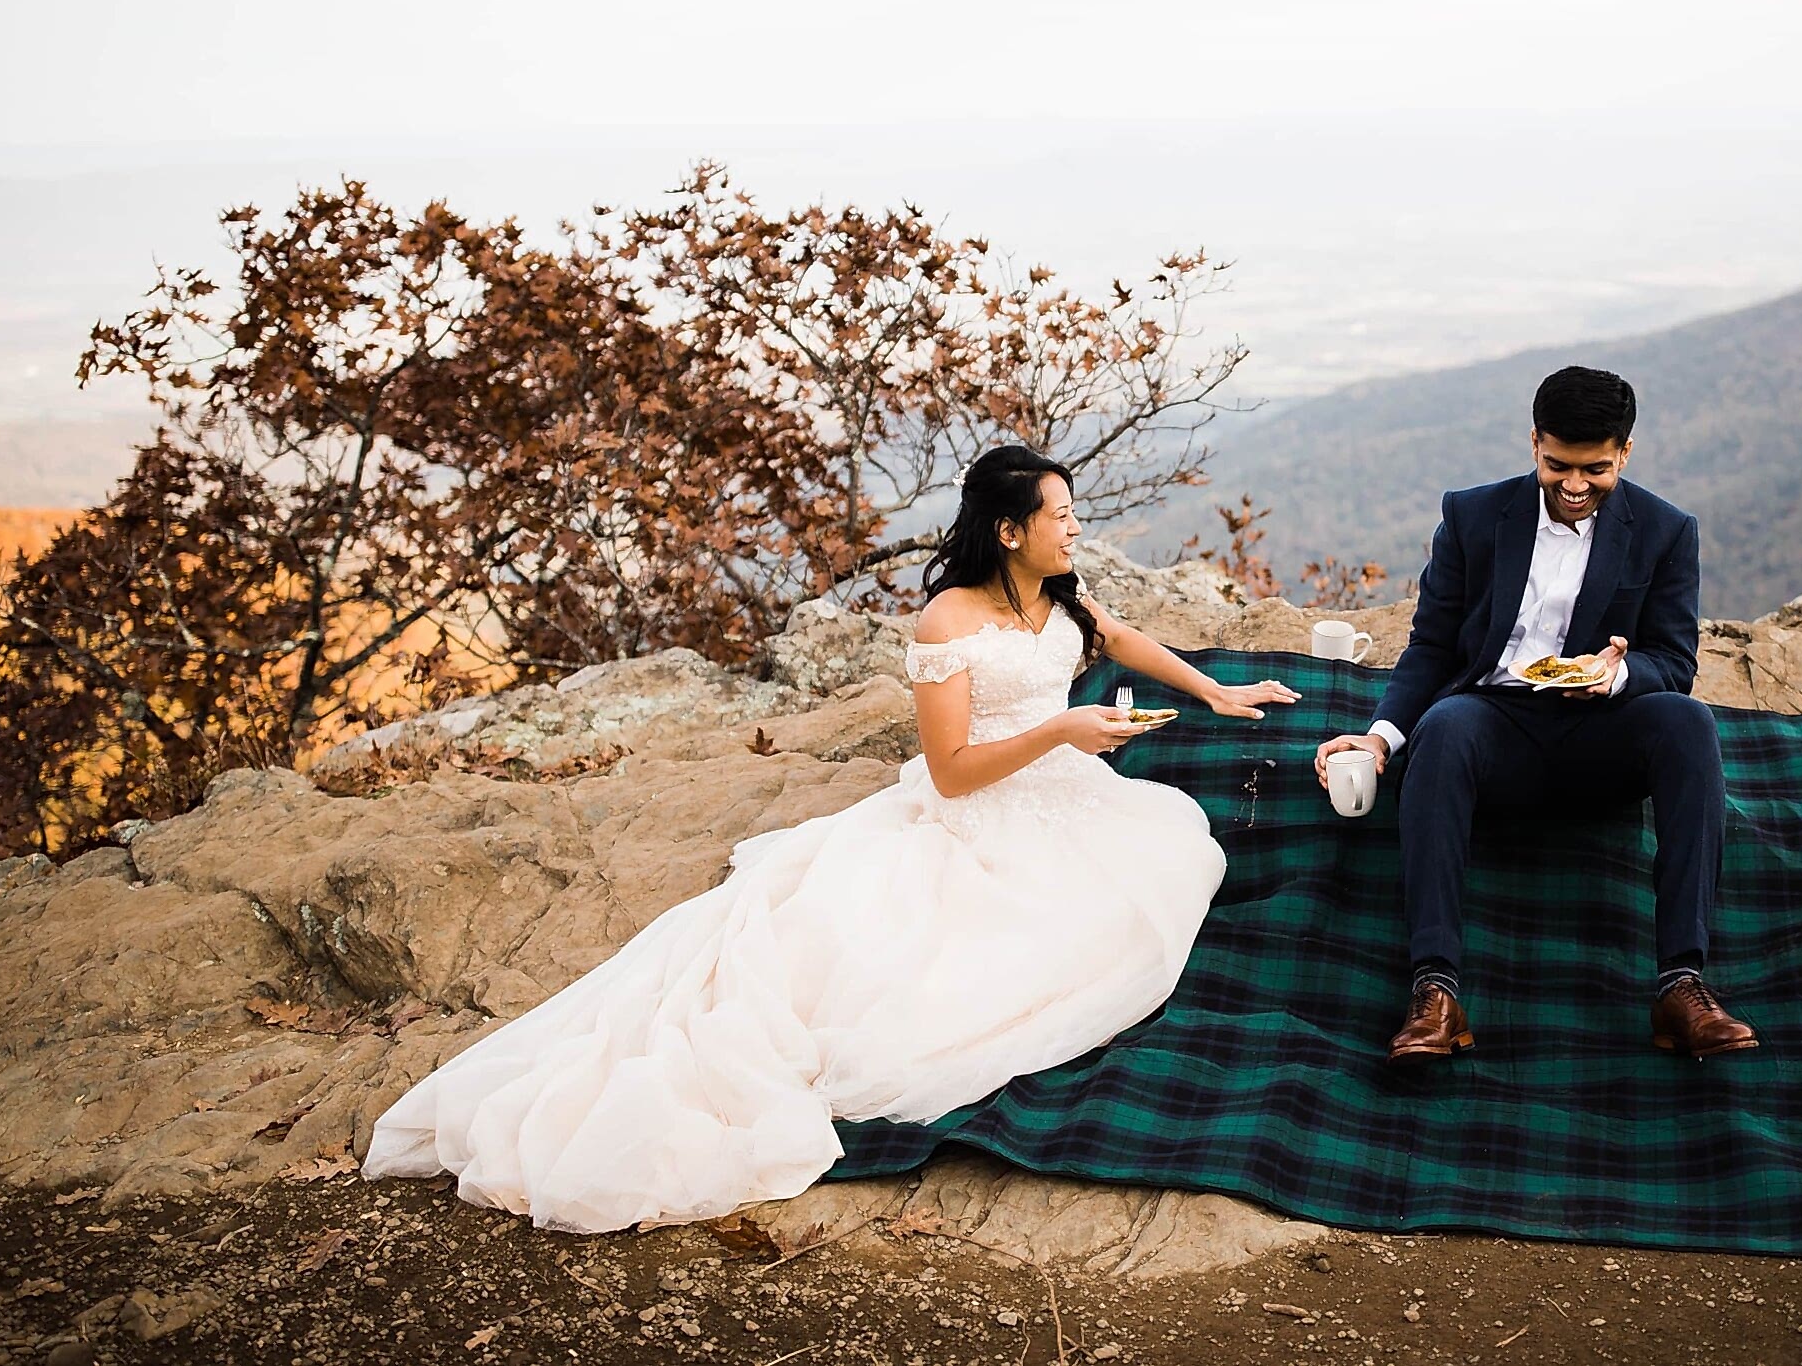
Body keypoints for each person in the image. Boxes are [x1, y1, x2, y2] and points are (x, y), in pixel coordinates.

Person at [364, 444, 1300, 1232]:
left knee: (1164, 865)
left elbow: (1124, 638)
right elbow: (952, 773)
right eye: (1060, 515)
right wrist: (1060, 730)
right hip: (979, 814)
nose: (1074, 529)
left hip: (1064, 798)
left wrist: (1216, 692)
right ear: (1009, 530)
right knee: (987, 972)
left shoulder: (1062, 598)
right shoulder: (949, 620)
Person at [1312, 366, 1757, 1063]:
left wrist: (1618, 676)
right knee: (1445, 725)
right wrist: (1378, 740)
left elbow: (1674, 660)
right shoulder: (1473, 516)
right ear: (1534, 445)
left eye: (1596, 469)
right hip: (1493, 721)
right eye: (1559, 466)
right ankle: (1435, 990)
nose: (1575, 486)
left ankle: (1682, 984)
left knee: (1688, 721)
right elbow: (1431, 645)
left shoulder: (1668, 532)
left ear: (1626, 455)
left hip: (1601, 736)